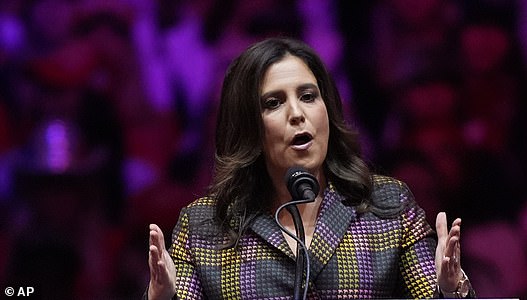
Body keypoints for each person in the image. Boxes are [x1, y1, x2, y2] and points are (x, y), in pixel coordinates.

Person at [146, 37, 476, 299]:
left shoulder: (386, 206)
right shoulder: (205, 226)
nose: (297, 113)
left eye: (308, 96)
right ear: (248, 125)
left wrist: (451, 290)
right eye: (273, 102)